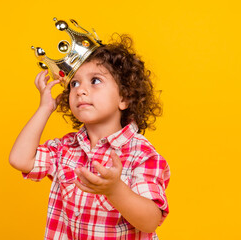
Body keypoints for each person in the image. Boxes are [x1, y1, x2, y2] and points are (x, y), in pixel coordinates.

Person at [9, 34, 170, 240]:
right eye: (74, 84)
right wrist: (45, 108)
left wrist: (115, 190)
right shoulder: (65, 147)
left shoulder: (141, 154)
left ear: (124, 97)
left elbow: (150, 221)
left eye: (95, 81)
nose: (81, 91)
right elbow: (20, 160)